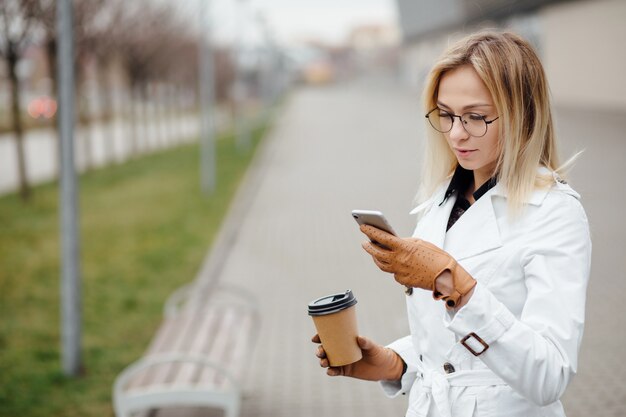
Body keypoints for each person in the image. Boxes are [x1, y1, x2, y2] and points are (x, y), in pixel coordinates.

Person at [312, 31, 592, 417]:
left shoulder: (554, 213)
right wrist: (396, 362)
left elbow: (549, 375)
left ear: (522, 113)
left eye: (476, 117)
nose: (457, 133)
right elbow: (449, 350)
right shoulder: (441, 201)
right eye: (446, 114)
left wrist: (453, 284)